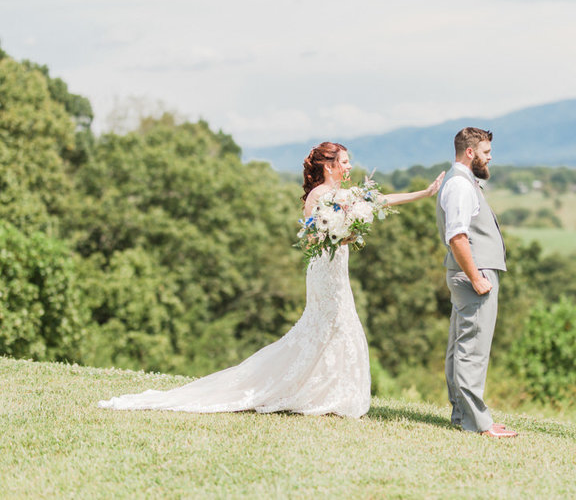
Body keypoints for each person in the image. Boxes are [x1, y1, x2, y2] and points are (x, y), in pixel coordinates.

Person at [99, 141, 444, 418]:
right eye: (345, 161)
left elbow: (378, 200)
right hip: (324, 271)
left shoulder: (345, 195)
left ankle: (331, 393)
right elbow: (316, 237)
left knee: (340, 326)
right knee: (326, 326)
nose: (349, 166)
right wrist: (343, 234)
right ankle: (302, 390)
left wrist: (424, 194)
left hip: (338, 270)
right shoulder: (319, 196)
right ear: (329, 165)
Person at [435, 127, 516, 438]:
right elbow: (457, 236)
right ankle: (478, 422)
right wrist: (476, 278)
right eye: (485, 152)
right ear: (470, 152)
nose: (490, 157)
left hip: (472, 272)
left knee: (461, 346)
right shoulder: (460, 186)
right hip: (473, 274)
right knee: (473, 348)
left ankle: (463, 415)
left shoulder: (462, 183)